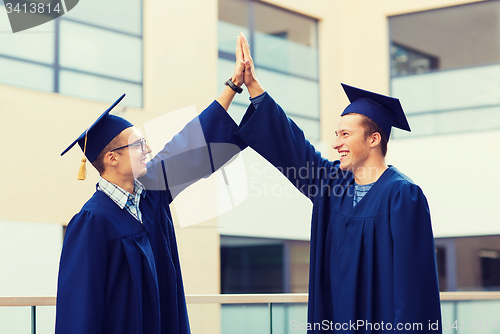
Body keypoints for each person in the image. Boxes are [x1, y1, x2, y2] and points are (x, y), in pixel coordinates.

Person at [235, 33, 442, 333]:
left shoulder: (402, 196)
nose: (336, 143)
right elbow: (295, 149)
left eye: (345, 134)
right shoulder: (332, 185)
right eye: (336, 134)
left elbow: (413, 287)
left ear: (374, 139)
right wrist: (253, 86)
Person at [55, 37, 248, 334]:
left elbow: (189, 141)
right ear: (112, 159)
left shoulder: (152, 193)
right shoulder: (92, 222)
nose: (147, 149)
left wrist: (233, 85)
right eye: (137, 145)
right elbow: (80, 309)